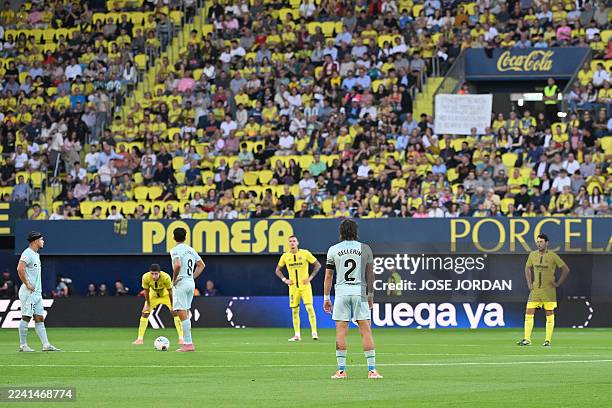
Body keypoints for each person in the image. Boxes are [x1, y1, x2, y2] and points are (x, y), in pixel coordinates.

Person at [323, 219, 382, 379]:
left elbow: (329, 275)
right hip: (360, 292)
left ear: (341, 232)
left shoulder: (333, 250)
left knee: (341, 332)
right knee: (366, 330)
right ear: (356, 231)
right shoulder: (365, 248)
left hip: (341, 293)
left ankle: (341, 371)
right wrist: (370, 296)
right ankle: (372, 370)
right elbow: (370, 275)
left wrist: (326, 297)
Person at [518, 234, 570, 347]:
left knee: (549, 313)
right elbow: (527, 268)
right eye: (538, 241)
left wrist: (558, 283)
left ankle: (547, 341)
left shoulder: (552, 256)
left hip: (549, 291)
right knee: (528, 312)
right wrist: (529, 283)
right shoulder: (532, 255)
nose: (539, 244)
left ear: (547, 243)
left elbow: (565, 269)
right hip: (536, 290)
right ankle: (527, 339)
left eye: (541, 241)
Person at [16, 231, 60, 352]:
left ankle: (46, 345)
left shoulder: (36, 255)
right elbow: (20, 268)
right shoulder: (27, 253)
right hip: (28, 293)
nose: (43, 241)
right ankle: (23, 345)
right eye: (41, 239)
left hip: (37, 293)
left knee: (40, 318)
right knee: (26, 317)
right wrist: (27, 284)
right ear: (35, 241)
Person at [275, 235, 322, 341]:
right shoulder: (285, 256)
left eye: (294, 241)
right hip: (293, 288)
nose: (292, 243)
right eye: (290, 241)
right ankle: (297, 335)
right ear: (288, 243)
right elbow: (277, 270)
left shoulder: (305, 253)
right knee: (295, 311)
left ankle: (314, 332)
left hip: (305, 286)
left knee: (309, 308)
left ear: (297, 243)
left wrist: (310, 278)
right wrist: (285, 280)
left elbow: (317, 265)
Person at [171, 227, 205, 352]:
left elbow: (178, 264)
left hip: (181, 282)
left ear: (173, 237)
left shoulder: (174, 250)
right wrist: (192, 277)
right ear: (185, 237)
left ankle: (188, 344)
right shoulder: (191, 250)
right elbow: (201, 265)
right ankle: (188, 343)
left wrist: (174, 279)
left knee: (182, 314)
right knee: (184, 312)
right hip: (190, 282)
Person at [133, 264, 184, 346]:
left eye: (156, 274)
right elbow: (146, 291)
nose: (154, 276)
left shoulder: (166, 277)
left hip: (165, 295)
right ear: (150, 273)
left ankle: (181, 338)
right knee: (145, 313)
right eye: (152, 274)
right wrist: (148, 304)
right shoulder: (145, 277)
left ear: (159, 273)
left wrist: (172, 304)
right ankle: (140, 339)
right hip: (153, 295)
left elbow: (170, 291)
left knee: (175, 312)